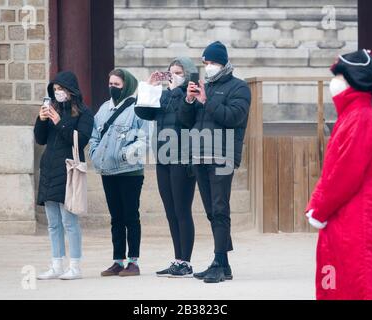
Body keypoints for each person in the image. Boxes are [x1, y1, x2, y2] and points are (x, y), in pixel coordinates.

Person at [305, 49, 372, 300]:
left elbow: (344, 174)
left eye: (339, 77)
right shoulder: (354, 115)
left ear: (353, 82)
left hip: (357, 219)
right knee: (343, 280)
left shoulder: (360, 118)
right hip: (348, 217)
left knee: (362, 282)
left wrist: (318, 208)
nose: (334, 82)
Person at [177, 41, 251, 283]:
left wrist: (208, 101)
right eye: (205, 63)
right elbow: (185, 122)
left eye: (212, 62)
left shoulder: (239, 87)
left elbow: (233, 117)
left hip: (222, 155)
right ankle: (223, 264)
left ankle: (219, 261)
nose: (208, 67)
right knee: (211, 211)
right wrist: (189, 100)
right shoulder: (203, 87)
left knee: (220, 209)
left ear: (224, 63)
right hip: (199, 155)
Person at [135, 57, 198, 278]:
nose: (173, 75)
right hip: (163, 158)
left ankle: (186, 262)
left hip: (183, 159)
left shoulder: (190, 95)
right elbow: (143, 113)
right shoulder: (164, 95)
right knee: (171, 212)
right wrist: (150, 87)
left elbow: (186, 117)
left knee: (182, 210)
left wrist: (174, 89)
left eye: (178, 72)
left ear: (187, 74)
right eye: (170, 72)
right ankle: (178, 259)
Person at [34, 71, 94, 281]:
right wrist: (41, 120)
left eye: (61, 89)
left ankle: (75, 266)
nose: (58, 93)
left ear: (71, 91)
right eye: (55, 90)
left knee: (69, 221)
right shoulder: (52, 110)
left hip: (69, 171)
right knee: (53, 222)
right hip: (50, 169)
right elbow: (40, 139)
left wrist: (59, 122)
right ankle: (56, 264)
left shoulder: (84, 114)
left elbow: (80, 140)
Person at [89, 69, 149, 277]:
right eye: (110, 83)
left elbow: (144, 138)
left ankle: (133, 261)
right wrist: (95, 154)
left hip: (130, 172)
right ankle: (117, 260)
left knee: (130, 216)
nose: (112, 87)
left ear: (127, 85)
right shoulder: (104, 108)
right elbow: (95, 134)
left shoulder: (138, 108)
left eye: (117, 84)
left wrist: (125, 155)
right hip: (108, 171)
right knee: (115, 217)